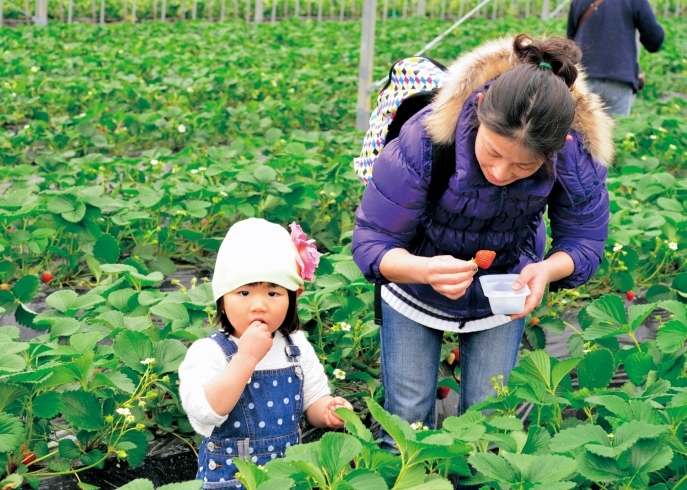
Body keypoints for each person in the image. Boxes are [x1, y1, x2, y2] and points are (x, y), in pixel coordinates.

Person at [352, 35, 614, 450]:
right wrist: (422, 269)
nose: (500, 171)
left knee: (488, 422)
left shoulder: (573, 155)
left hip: (503, 286)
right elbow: (372, 240)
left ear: (556, 148)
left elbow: (585, 238)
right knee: (406, 415)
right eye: (492, 152)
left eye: (523, 165)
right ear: (478, 110)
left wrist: (546, 269)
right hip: (414, 281)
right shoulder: (425, 140)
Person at [179, 218, 353, 489]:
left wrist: (327, 411)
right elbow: (205, 413)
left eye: (273, 292)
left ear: (295, 296)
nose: (258, 305)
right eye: (244, 292)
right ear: (222, 299)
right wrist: (245, 358)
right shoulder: (209, 352)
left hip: (288, 479)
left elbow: (314, 400)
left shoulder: (294, 346)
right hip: (230, 481)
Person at [567, 0, 664, 117]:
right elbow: (654, 40)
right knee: (617, 131)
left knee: (583, 131)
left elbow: (570, 43)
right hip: (618, 77)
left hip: (582, 77)